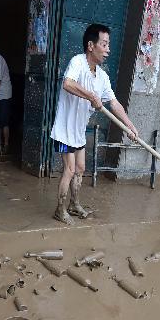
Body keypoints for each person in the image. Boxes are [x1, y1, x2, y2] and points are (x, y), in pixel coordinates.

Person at [49, 24, 138, 225]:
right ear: (91, 45)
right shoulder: (77, 62)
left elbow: (114, 103)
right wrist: (91, 96)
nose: (108, 50)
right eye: (104, 44)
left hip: (79, 131)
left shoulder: (103, 77)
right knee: (70, 169)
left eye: (108, 45)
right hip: (64, 130)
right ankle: (59, 209)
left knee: (80, 168)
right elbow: (67, 84)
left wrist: (129, 126)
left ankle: (74, 204)